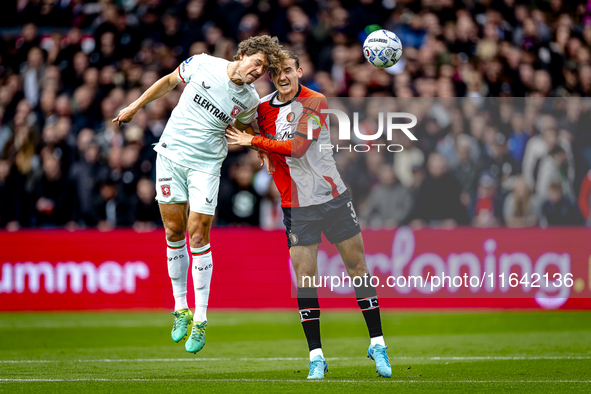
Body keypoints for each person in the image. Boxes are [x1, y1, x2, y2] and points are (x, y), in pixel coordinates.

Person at [112, 35, 283, 354]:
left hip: (205, 166)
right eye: (257, 63)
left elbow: (246, 128)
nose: (259, 71)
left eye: (264, 68)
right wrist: (135, 106)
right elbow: (167, 82)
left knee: (198, 234)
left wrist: (258, 144)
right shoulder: (203, 63)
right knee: (173, 231)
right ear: (242, 54)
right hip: (171, 157)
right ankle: (180, 309)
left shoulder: (248, 99)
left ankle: (201, 319)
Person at [225, 51, 391, 379]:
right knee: (306, 279)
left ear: (299, 70)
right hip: (296, 204)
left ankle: (378, 343)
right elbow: (244, 127)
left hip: (332, 198)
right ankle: (316, 356)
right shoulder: (262, 109)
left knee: (357, 266)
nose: (283, 77)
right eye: (276, 73)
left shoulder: (316, 101)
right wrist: (260, 149)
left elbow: (298, 147)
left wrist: (254, 141)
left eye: (288, 70)